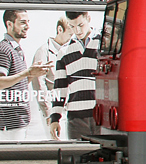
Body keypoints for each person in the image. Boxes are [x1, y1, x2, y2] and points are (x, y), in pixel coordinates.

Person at [0, 10, 52, 142]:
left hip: (17, 122)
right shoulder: (4, 50)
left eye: (28, 22)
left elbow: (16, 83)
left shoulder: (16, 49)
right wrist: (28, 73)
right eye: (23, 22)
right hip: (8, 124)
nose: (27, 26)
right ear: (9, 24)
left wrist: (33, 74)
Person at [51, 11, 100, 141]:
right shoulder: (63, 52)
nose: (77, 30)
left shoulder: (104, 44)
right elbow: (59, 87)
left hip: (102, 115)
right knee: (77, 157)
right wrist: (55, 118)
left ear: (88, 19)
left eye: (80, 25)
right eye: (72, 26)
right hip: (75, 118)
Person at [32, 18, 72, 140]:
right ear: (60, 30)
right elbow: (39, 83)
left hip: (67, 108)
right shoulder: (43, 51)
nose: (72, 37)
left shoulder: (69, 49)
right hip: (52, 108)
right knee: (56, 142)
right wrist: (49, 112)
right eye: (70, 34)